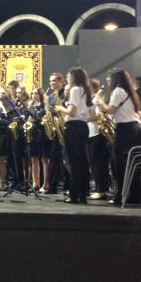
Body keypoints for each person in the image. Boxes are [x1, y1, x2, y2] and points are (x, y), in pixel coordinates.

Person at [96, 69, 141, 206]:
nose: (108, 81)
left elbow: (111, 109)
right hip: (135, 128)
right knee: (132, 163)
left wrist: (100, 100)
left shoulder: (118, 91)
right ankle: (135, 195)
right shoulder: (130, 92)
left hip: (125, 129)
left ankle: (120, 196)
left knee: (119, 164)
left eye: (110, 79)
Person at [54, 68, 93, 204]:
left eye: (68, 75)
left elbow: (71, 112)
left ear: (74, 77)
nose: (67, 77)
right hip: (83, 126)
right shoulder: (86, 90)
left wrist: (60, 108)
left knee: (74, 163)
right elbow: (91, 114)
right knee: (82, 163)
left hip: (73, 127)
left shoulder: (75, 89)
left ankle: (74, 195)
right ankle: (82, 194)